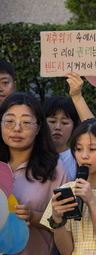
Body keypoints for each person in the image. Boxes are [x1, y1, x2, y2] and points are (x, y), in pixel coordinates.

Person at [40, 118, 96, 255]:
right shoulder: (66, 190)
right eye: (79, 149)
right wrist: (57, 219)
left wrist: (91, 201)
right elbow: (66, 251)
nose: (84, 156)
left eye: (92, 149)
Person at [0, 92, 72, 255]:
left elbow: (72, 226)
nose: (16, 128)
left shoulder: (55, 169)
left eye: (26, 122)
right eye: (9, 121)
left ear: (39, 127)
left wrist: (34, 216)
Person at [43, 95, 80, 180]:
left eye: (64, 123)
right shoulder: (32, 154)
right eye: (52, 121)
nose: (58, 127)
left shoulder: (78, 158)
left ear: (74, 127)